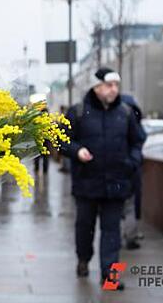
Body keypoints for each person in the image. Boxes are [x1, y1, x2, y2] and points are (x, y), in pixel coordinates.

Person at [60, 67, 144, 290]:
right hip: (87, 182)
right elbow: (61, 141)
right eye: (109, 85)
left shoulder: (126, 112)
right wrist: (77, 151)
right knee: (84, 227)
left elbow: (137, 142)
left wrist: (132, 163)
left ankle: (111, 278)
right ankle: (83, 260)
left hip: (117, 183)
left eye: (116, 85)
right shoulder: (78, 112)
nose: (114, 89)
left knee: (112, 232)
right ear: (96, 87)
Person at [120, 94, 147, 250]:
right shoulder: (135, 121)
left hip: (116, 168)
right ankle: (130, 237)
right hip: (131, 169)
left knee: (114, 206)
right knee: (130, 205)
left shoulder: (114, 119)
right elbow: (141, 138)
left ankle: (115, 239)